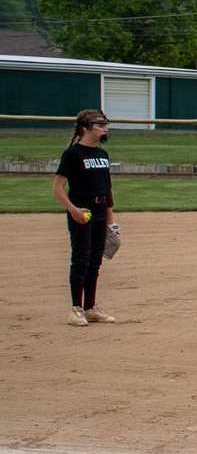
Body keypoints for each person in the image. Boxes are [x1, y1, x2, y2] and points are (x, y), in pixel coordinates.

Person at [51, 109, 117, 326]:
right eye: (99, 125)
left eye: (104, 125)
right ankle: (76, 308)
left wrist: (111, 220)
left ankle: (90, 307)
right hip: (82, 211)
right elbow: (58, 187)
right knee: (81, 257)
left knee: (95, 259)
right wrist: (73, 210)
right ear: (84, 128)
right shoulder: (73, 154)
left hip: (99, 211)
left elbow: (107, 190)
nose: (104, 129)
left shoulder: (102, 155)